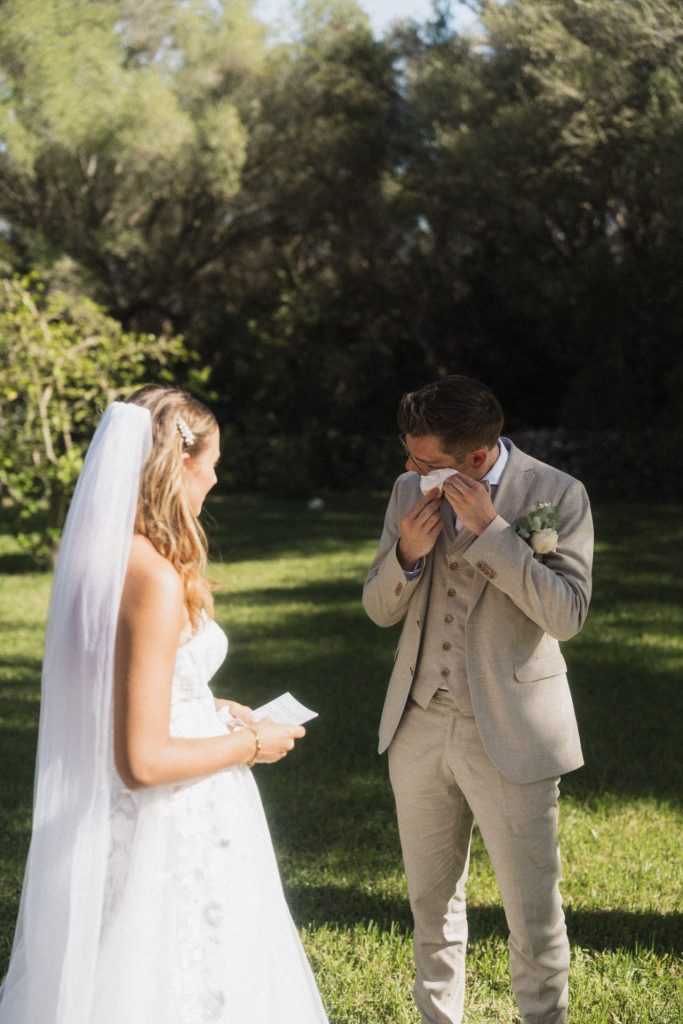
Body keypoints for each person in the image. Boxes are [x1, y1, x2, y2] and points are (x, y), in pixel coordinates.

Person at [0, 385, 329, 1024]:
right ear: (179, 463)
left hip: (118, 815)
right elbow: (142, 761)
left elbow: (123, 685)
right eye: (212, 465)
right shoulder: (150, 576)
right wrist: (254, 743)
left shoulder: (98, 557)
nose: (213, 480)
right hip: (169, 819)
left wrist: (209, 706)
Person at [363, 375, 593, 1024]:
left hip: (514, 731)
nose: (410, 470)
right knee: (429, 907)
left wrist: (492, 534)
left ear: (473, 456)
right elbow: (378, 608)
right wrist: (406, 553)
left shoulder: (555, 496)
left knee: (532, 916)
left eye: (424, 461)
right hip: (416, 722)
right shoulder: (407, 491)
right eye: (407, 456)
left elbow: (567, 614)